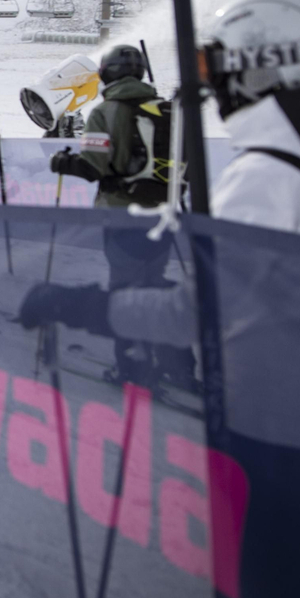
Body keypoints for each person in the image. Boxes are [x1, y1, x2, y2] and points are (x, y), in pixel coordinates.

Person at [20, 0, 300, 598]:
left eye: (227, 71)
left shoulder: (268, 173)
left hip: (284, 419)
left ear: (266, 70)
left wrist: (79, 305)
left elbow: (195, 313)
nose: (220, 88)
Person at [49, 44, 187, 389]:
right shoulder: (167, 109)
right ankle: (180, 367)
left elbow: (93, 168)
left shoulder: (104, 112)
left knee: (126, 293)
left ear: (106, 74)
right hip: (162, 216)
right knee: (156, 289)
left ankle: (133, 370)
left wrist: (62, 162)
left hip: (122, 216)